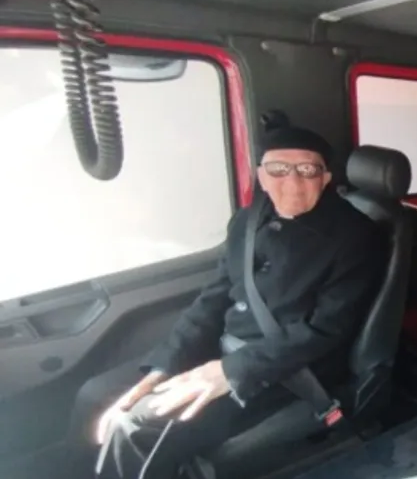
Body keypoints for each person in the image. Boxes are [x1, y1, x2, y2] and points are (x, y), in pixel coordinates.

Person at [75, 121, 387, 479]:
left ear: (326, 178)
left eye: (307, 170)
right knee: (94, 394)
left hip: (286, 368)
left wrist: (230, 371)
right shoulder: (245, 221)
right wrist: (165, 363)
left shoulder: (355, 236)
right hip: (224, 349)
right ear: (262, 175)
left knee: (136, 424)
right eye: (278, 169)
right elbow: (214, 297)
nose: (293, 181)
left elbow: (325, 330)